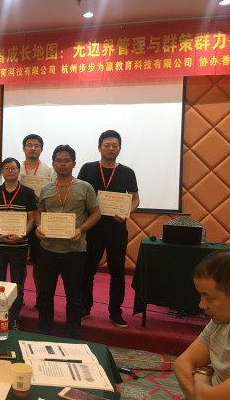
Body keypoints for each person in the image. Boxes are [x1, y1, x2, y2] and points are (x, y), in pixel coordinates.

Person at [35, 144, 101, 338]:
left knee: (74, 296)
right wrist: (39, 226)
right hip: (48, 250)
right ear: (53, 163)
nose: (62, 164)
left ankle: (72, 333)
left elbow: (96, 213)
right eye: (59, 160)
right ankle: (44, 331)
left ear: (74, 163)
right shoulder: (46, 188)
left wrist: (81, 229)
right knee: (45, 295)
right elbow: (39, 212)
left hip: (74, 251)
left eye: (67, 160)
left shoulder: (85, 187)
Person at [78, 130, 139, 328]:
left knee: (117, 272)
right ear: (99, 147)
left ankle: (115, 312)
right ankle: (84, 307)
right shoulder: (87, 169)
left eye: (115, 145)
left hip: (117, 228)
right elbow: (78, 193)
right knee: (87, 270)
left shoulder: (127, 172)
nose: (111, 148)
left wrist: (127, 212)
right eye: (107, 145)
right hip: (92, 228)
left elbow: (135, 199)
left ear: (120, 148)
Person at [0, 157, 37, 330]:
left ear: (19, 171)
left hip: (19, 246)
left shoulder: (28, 193)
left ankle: (14, 317)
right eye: (6, 168)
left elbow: (32, 219)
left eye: (13, 168)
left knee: (17, 284)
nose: (10, 171)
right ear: (2, 171)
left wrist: (22, 235)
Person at [174, 251, 230, 399]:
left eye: (209, 298)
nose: (201, 305)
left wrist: (202, 375)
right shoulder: (220, 321)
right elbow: (181, 364)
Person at [20, 134, 55, 305]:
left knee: (39, 263)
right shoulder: (16, 167)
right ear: (23, 148)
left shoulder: (49, 170)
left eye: (36, 145)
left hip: (40, 220)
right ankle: (18, 297)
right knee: (19, 262)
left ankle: (40, 298)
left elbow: (53, 193)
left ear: (41, 149)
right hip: (19, 220)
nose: (33, 148)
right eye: (29, 145)